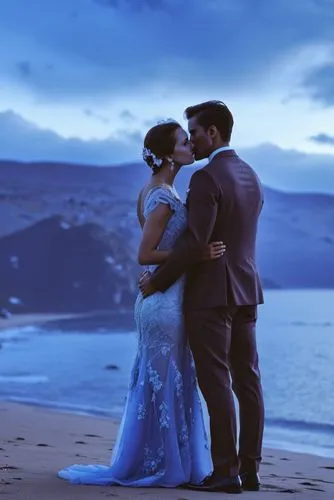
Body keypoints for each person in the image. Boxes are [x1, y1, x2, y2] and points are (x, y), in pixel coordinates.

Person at [58, 120, 226, 487]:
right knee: (167, 382)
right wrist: (195, 255)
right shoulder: (163, 197)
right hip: (163, 304)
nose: (191, 145)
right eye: (184, 141)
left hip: (164, 296)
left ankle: (164, 460)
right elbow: (145, 253)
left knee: (168, 381)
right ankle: (167, 466)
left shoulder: (158, 190)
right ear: (168, 154)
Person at [140, 101, 265, 493]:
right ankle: (251, 470)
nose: (191, 140)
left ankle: (226, 472)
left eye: (193, 131)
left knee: (216, 383)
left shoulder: (207, 178)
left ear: (212, 132)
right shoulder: (251, 175)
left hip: (211, 295)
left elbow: (197, 242)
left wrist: (157, 282)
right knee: (248, 381)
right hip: (247, 291)